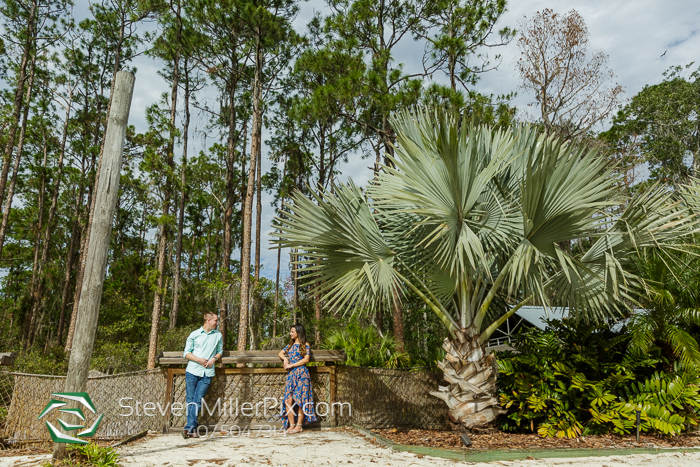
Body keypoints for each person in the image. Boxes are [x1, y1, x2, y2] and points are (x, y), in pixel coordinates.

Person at [182, 312, 223, 438]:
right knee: (190, 400)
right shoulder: (194, 335)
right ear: (208, 320)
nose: (217, 322)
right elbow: (186, 353)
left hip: (207, 373)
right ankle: (192, 429)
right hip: (192, 371)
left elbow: (220, 351)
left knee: (198, 401)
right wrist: (198, 359)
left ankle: (189, 428)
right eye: (216, 320)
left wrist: (214, 359)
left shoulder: (218, 335)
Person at [278, 324, 318, 434]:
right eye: (290, 332)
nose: (290, 333)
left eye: (292, 332)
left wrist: (292, 365)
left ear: (298, 333)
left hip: (302, 374)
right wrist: (285, 359)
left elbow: (306, 359)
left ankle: (299, 426)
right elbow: (280, 353)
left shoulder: (305, 345)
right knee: (288, 400)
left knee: (301, 400)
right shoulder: (290, 345)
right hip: (291, 375)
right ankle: (291, 425)